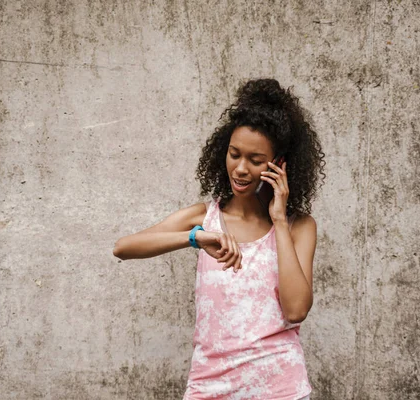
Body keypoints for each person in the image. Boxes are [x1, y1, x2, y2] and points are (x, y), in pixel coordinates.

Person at [113, 78, 325, 400]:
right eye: (234, 154)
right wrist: (195, 238)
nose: (240, 169)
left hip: (280, 388)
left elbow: (295, 310)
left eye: (255, 160)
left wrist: (279, 220)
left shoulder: (299, 227)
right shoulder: (204, 218)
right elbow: (123, 248)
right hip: (210, 386)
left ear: (278, 164)